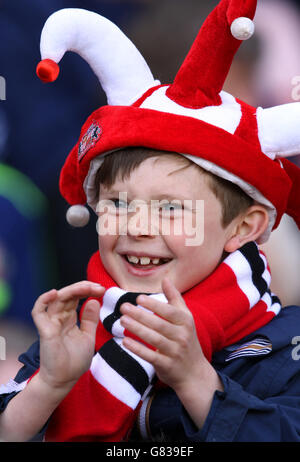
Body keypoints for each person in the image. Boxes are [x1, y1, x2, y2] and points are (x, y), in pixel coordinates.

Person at [1, 0, 300, 442]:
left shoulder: (283, 347)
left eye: (172, 209)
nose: (137, 227)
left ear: (244, 227)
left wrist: (195, 379)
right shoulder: (79, 331)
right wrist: (48, 385)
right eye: (118, 204)